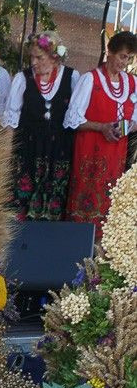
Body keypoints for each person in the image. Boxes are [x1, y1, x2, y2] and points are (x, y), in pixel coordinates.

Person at [64, 30, 137, 237]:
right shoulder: (90, 79)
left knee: (109, 201)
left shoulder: (132, 83)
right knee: (85, 203)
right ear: (110, 52)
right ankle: (78, 245)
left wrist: (128, 126)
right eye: (123, 56)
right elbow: (73, 120)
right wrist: (101, 127)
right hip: (90, 153)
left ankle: (100, 253)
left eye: (129, 58)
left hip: (115, 155)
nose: (125, 62)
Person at [0, 32, 79, 220]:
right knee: (20, 205)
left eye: (39, 57)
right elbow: (11, 123)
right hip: (28, 152)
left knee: (54, 206)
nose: (33, 62)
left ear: (54, 57)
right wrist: (6, 156)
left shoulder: (72, 77)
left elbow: (76, 120)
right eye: (31, 57)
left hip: (57, 153)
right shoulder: (22, 79)